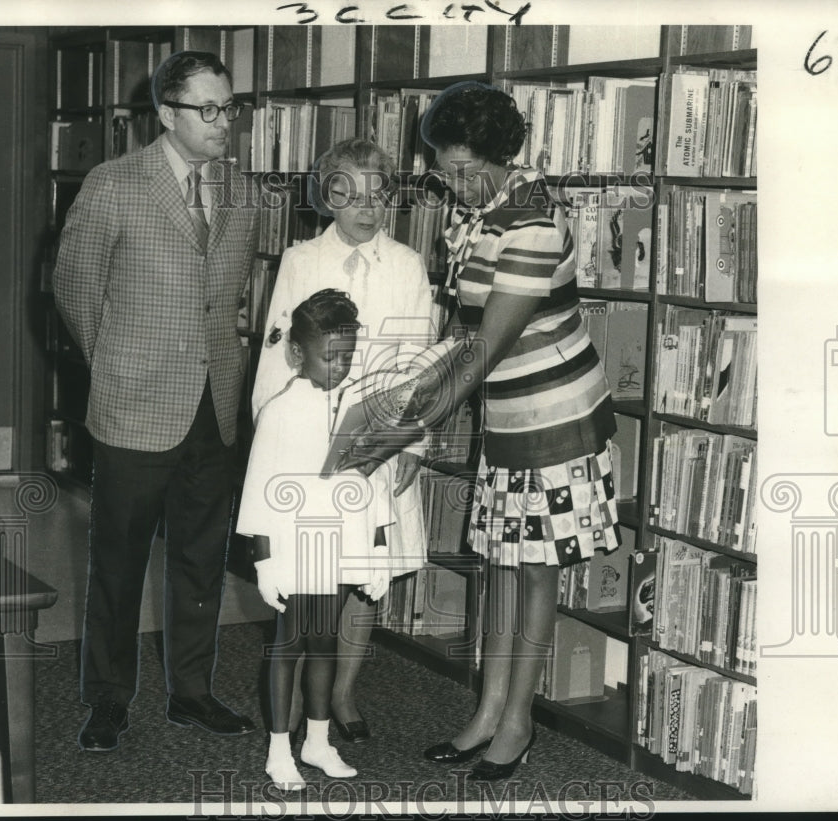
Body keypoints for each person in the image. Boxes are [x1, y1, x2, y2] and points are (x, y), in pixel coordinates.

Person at [346, 81, 622, 781]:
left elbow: (486, 347)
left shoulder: (529, 220)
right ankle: (487, 709)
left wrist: (419, 424)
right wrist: (404, 399)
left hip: (555, 422)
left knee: (533, 574)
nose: (455, 183)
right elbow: (459, 331)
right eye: (445, 170)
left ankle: (518, 721)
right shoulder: (482, 213)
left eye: (466, 170)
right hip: (507, 416)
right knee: (501, 563)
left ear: (500, 159)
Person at [53, 50, 259, 752]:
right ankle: (108, 697)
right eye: (207, 109)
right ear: (166, 113)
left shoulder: (244, 190)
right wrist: (112, 363)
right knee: (119, 558)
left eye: (229, 107)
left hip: (216, 402)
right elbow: (74, 290)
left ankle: (192, 692)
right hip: (134, 401)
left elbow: (227, 298)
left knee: (202, 557)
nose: (223, 121)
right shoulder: (114, 184)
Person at [250, 138, 434, 742]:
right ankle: (301, 696)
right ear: (326, 197)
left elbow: (417, 363)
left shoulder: (407, 265)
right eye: (348, 194)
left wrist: (410, 443)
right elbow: (278, 354)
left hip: (378, 440)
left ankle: (340, 694)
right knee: (309, 573)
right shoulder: (301, 260)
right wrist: (270, 435)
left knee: (361, 566)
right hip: (307, 440)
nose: (365, 207)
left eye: (378, 194)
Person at [237, 289, 394, 791]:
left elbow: (372, 483)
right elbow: (259, 489)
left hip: (336, 549)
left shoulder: (356, 409)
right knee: (289, 645)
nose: (341, 367)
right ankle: (279, 747)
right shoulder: (281, 411)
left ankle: (318, 741)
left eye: (348, 357)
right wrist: (264, 563)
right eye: (331, 358)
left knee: (325, 644)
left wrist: (377, 550)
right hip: (291, 548)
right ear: (298, 354)